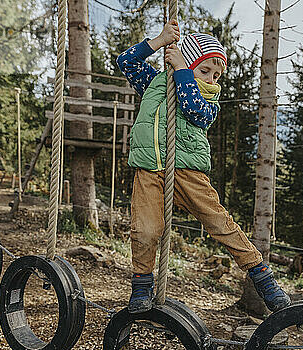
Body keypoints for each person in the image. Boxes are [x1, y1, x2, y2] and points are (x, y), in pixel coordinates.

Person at [117, 20, 291, 314]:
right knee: (145, 230)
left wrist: (185, 70)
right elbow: (126, 61)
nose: (211, 79)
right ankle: (142, 285)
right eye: (205, 70)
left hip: (187, 171)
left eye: (216, 74)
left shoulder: (207, 99)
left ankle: (261, 275)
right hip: (148, 170)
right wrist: (159, 41)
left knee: (219, 223)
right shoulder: (155, 83)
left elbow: (192, 109)